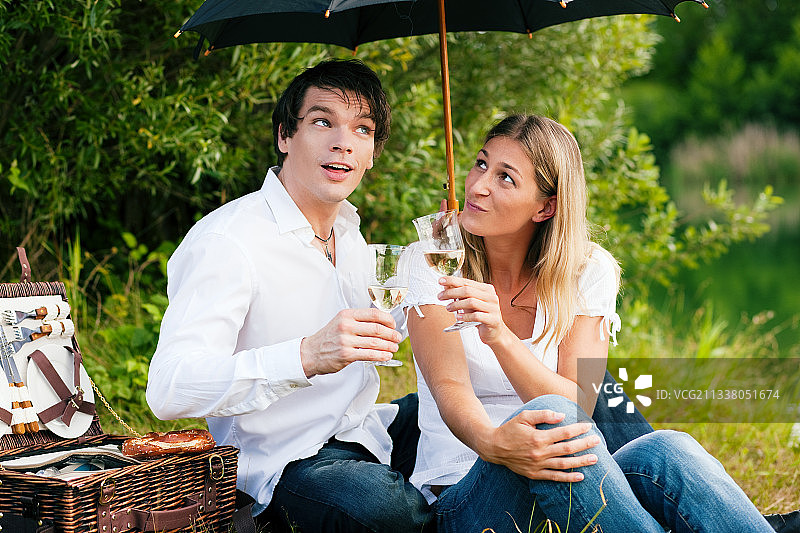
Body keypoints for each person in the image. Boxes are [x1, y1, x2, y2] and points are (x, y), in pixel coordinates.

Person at [404, 113, 776, 532]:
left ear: (546, 207)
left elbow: (578, 405)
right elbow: (449, 387)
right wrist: (497, 445)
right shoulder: (429, 259)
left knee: (669, 450)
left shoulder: (586, 268)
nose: (477, 185)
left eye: (506, 178)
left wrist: (500, 336)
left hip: (571, 470)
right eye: (481, 163)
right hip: (466, 490)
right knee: (550, 414)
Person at [146, 59, 430, 533]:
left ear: (372, 153)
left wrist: (437, 270)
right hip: (285, 460)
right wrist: (305, 356)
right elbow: (170, 389)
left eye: (362, 129)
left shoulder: (350, 232)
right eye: (322, 122)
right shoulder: (229, 240)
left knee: (481, 408)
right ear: (284, 135)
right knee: (389, 513)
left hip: (362, 429)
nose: (342, 142)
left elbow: (385, 327)